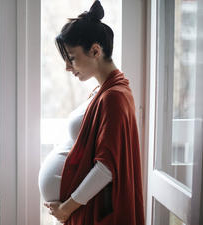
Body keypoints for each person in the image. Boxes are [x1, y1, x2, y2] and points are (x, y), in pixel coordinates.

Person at [38, 1, 145, 224]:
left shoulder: (114, 96)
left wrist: (67, 208)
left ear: (95, 50)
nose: (68, 67)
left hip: (92, 211)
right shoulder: (104, 91)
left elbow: (107, 168)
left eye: (72, 58)